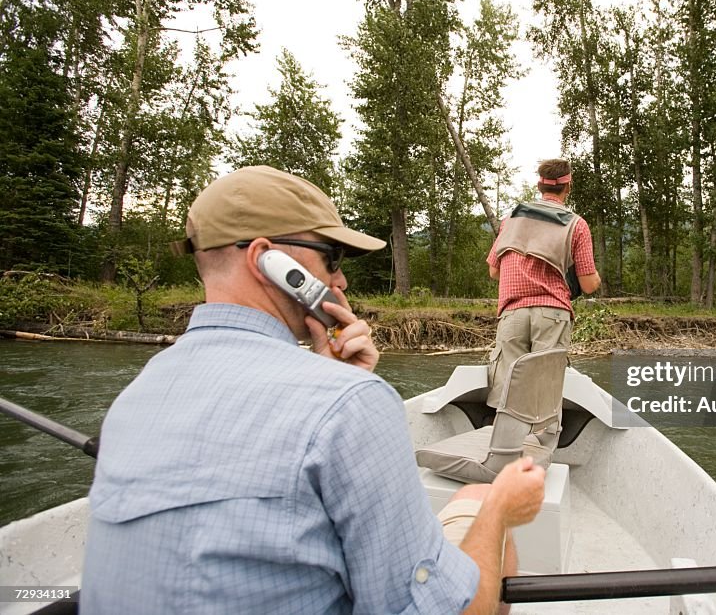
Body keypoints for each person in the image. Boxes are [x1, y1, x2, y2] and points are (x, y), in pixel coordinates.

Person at [81, 165, 546, 614]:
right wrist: (502, 511)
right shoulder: (346, 405)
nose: (339, 280)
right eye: (331, 258)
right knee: (478, 501)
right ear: (267, 259)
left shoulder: (135, 395)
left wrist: (337, 377)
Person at [485, 159, 601, 406]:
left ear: (539, 186)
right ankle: (540, 441)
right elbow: (589, 285)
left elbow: (494, 271)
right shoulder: (577, 224)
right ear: (567, 187)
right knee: (543, 395)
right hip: (552, 314)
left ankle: (506, 441)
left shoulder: (511, 219)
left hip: (512, 313)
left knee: (508, 391)